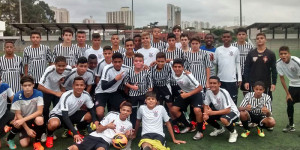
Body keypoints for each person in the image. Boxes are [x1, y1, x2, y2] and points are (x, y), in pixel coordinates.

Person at [45, 77, 97, 148]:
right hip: (59, 114)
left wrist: (95, 121)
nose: (79, 87)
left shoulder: (86, 95)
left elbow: (91, 109)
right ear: (73, 86)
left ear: (84, 86)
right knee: (54, 124)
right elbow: (65, 116)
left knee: (89, 116)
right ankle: (49, 135)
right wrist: (75, 133)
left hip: (71, 114)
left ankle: (71, 129)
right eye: (77, 85)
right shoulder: (66, 96)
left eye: (81, 85)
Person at [67, 101, 134, 150]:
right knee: (74, 147)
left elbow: (124, 139)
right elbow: (98, 130)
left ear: (130, 112)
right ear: (120, 110)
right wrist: (107, 126)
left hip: (106, 141)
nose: (125, 112)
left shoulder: (129, 124)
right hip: (94, 136)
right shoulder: (111, 115)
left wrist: (128, 136)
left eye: (128, 111)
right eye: (124, 110)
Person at [7, 75, 44, 150]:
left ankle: (37, 141)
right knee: (24, 144)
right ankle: (9, 139)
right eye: (25, 85)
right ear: (22, 86)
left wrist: (22, 120)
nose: (27, 87)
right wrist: (27, 129)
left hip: (34, 118)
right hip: (23, 118)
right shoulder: (17, 96)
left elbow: (40, 112)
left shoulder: (39, 94)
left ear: (33, 85)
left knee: (40, 120)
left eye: (29, 85)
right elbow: (18, 114)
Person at [170, 58, 204, 140]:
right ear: (173, 67)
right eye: (175, 67)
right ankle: (190, 126)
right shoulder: (173, 68)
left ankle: (200, 131)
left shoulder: (188, 75)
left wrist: (188, 94)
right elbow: (170, 60)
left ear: (182, 67)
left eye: (179, 67)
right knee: (174, 110)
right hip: (185, 93)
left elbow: (200, 88)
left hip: (196, 93)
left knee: (197, 110)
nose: (177, 69)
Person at [38, 56, 72, 130]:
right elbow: (39, 87)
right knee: (45, 109)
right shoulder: (49, 70)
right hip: (47, 90)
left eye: (63, 66)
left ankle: (57, 126)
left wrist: (62, 82)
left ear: (66, 65)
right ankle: (44, 128)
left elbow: (68, 77)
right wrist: (55, 93)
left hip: (58, 91)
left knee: (58, 110)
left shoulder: (69, 69)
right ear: (55, 64)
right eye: (59, 66)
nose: (61, 68)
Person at [203, 76, 240, 143]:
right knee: (206, 116)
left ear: (219, 84)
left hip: (233, 112)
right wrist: (206, 113)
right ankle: (219, 129)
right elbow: (206, 104)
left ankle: (233, 133)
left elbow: (228, 110)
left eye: (214, 83)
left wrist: (211, 113)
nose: (212, 85)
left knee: (224, 119)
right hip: (221, 112)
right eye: (210, 83)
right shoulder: (208, 92)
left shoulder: (224, 92)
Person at [94, 52, 130, 120]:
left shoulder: (126, 68)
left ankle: (123, 125)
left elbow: (136, 70)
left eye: (119, 62)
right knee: (99, 113)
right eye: (115, 62)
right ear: (112, 62)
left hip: (113, 92)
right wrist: (115, 79)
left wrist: (144, 67)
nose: (117, 64)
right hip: (101, 92)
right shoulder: (107, 68)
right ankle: (104, 124)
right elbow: (103, 87)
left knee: (126, 107)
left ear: (122, 61)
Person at [244, 32, 277, 100]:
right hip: (253, 83)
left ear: (265, 40)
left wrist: (274, 83)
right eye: (257, 38)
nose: (259, 40)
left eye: (261, 38)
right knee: (252, 101)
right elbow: (246, 68)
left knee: (266, 101)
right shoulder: (251, 53)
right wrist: (246, 81)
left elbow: (274, 69)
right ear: (255, 40)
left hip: (266, 83)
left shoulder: (271, 54)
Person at [124, 53, 153, 127]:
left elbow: (150, 84)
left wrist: (148, 96)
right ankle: (133, 127)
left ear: (143, 62)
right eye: (136, 61)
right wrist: (132, 87)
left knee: (144, 110)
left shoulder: (147, 71)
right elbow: (125, 82)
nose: (138, 62)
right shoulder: (129, 70)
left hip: (144, 94)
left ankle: (146, 126)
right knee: (133, 110)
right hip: (133, 94)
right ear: (133, 62)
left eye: (140, 61)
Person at [276, 46, 300, 132]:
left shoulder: (296, 61)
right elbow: (282, 78)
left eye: (285, 53)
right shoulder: (278, 63)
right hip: (293, 85)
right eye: (281, 54)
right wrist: (288, 94)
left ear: (289, 54)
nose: (283, 56)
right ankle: (291, 125)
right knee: (290, 103)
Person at [213, 31, 241, 104]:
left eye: (228, 37)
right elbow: (215, 62)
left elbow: (238, 63)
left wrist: (239, 78)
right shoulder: (218, 49)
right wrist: (212, 59)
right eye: (224, 37)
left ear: (231, 38)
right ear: (222, 38)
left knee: (232, 100)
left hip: (232, 80)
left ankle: (233, 114)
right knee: (221, 99)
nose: (226, 38)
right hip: (221, 80)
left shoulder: (235, 49)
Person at [231, 28, 253, 95]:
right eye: (239, 34)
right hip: (235, 73)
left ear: (246, 35)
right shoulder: (232, 46)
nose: (241, 36)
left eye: (243, 34)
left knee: (246, 93)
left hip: (246, 73)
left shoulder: (250, 46)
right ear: (236, 36)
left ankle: (247, 105)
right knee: (234, 92)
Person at [0, 78, 14, 149]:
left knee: (17, 120)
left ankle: (9, 139)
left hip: (5, 113)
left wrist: (18, 114)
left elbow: (13, 99)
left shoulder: (5, 86)